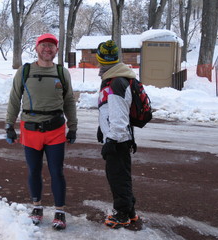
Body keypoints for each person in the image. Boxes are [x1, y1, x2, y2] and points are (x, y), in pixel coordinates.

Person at [5, 33, 78, 230]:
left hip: (55, 130)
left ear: (56, 50)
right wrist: (9, 125)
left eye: (52, 46)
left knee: (57, 172)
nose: (48, 49)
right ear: (36, 48)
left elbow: (69, 100)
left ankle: (60, 211)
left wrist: (73, 126)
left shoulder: (62, 73)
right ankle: (37, 207)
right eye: (44, 45)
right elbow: (14, 98)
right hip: (30, 130)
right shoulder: (25, 70)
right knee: (34, 171)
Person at [96, 40, 139, 229]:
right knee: (122, 176)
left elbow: (119, 116)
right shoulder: (115, 78)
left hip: (118, 139)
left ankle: (122, 214)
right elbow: (110, 110)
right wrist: (102, 128)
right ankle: (129, 211)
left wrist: (111, 140)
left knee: (117, 177)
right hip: (119, 137)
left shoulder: (116, 82)